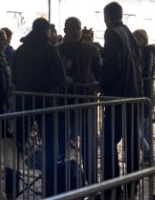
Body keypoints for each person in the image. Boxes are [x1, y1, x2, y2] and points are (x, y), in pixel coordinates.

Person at [12, 17, 69, 197]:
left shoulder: (20, 49)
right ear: (46, 31)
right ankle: (50, 187)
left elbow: (13, 75)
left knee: (17, 145)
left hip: (23, 101)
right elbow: (59, 77)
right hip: (46, 102)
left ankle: (11, 187)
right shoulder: (50, 49)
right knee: (50, 144)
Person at [100, 2, 143, 197]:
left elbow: (112, 65)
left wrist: (101, 83)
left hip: (118, 97)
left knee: (108, 142)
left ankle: (112, 187)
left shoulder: (112, 33)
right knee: (132, 142)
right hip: (133, 96)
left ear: (107, 17)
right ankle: (132, 185)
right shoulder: (129, 33)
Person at [57, 16, 102, 94]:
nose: (76, 32)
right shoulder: (57, 50)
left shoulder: (91, 49)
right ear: (65, 30)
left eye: (78, 29)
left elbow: (98, 70)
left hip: (86, 93)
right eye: (72, 29)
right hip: (65, 93)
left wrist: (99, 83)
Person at [134, 29, 155, 166]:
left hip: (146, 94)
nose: (135, 41)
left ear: (143, 39)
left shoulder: (147, 52)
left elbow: (145, 73)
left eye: (137, 38)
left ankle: (148, 154)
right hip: (145, 94)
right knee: (144, 128)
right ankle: (149, 157)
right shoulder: (143, 52)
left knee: (139, 128)